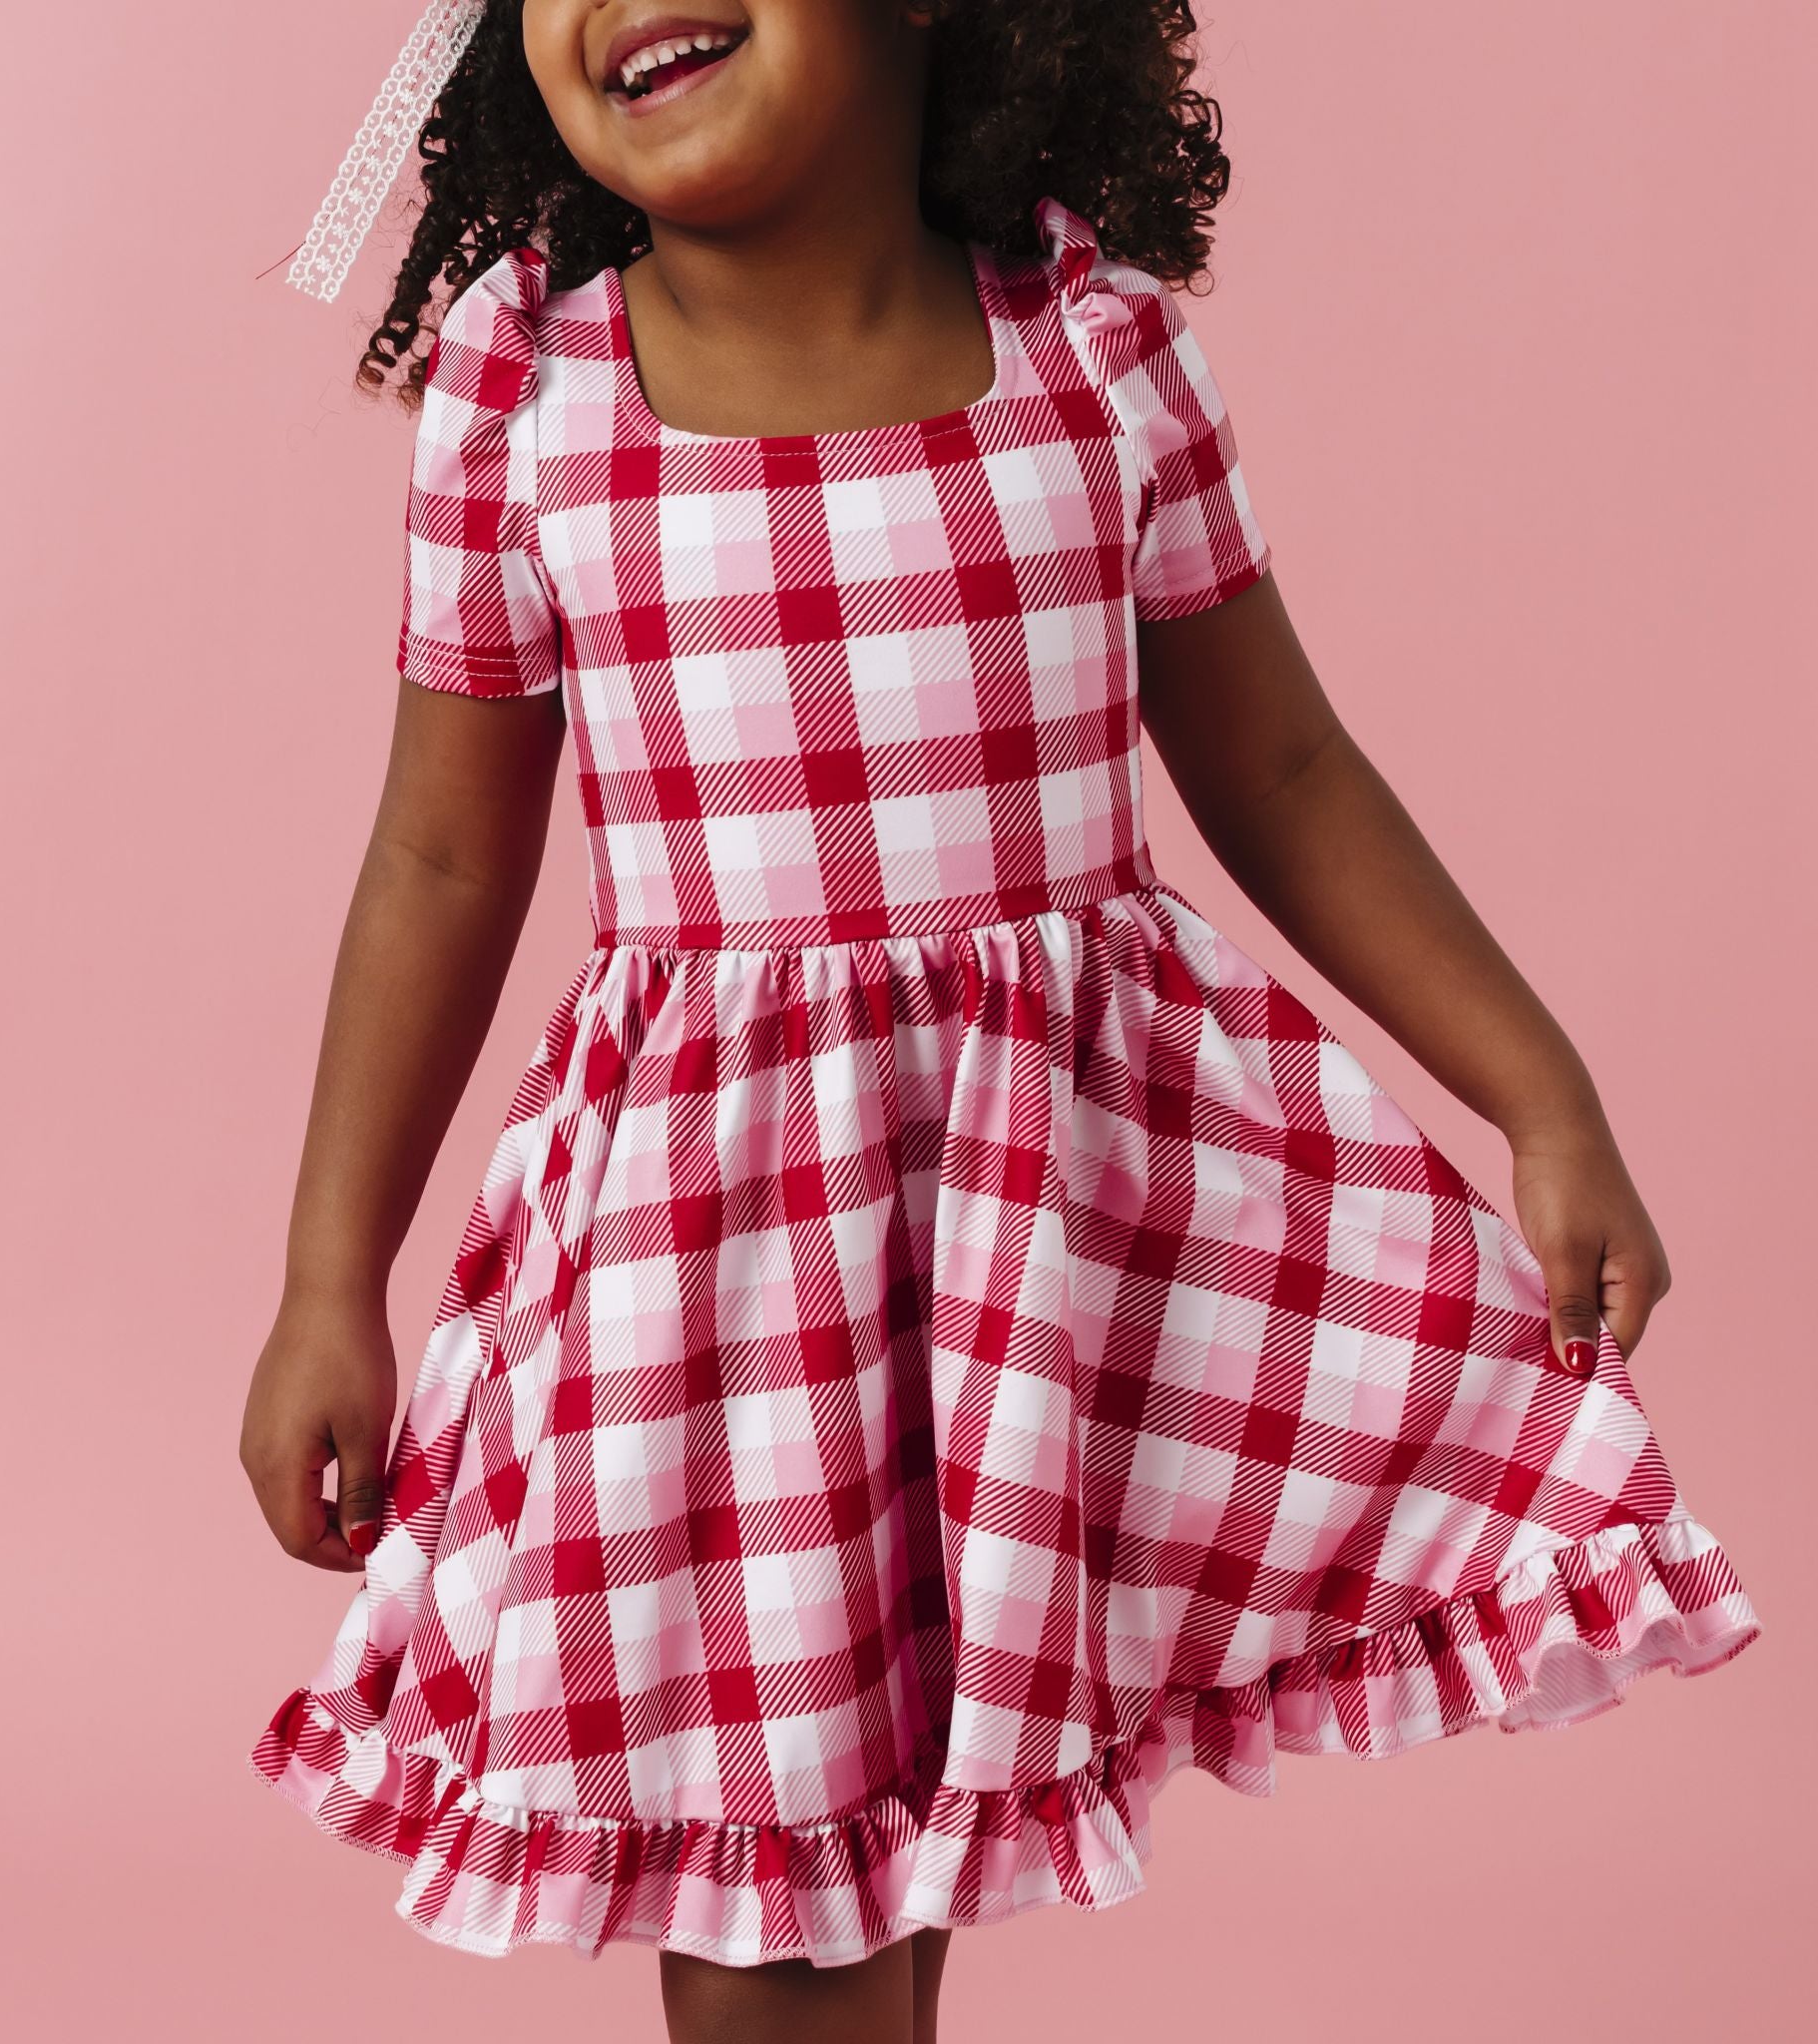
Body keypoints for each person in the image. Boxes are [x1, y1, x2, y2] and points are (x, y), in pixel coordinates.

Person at [239, 3, 1762, 2036]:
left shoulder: (1092, 351)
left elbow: (1284, 771)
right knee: (774, 1886)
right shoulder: (526, 392)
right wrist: (327, 1284)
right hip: (731, 1272)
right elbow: (440, 861)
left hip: (1068, 1225)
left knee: (905, 1851)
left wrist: (1537, 1096)